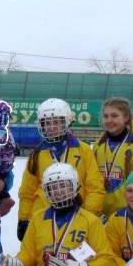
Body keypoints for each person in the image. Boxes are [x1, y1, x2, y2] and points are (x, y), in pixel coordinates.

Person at [15, 163, 122, 266]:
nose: (58, 192)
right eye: (53, 187)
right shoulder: (37, 218)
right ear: (46, 191)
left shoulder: (91, 221)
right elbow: (28, 254)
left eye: (63, 186)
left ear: (75, 186)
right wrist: (18, 263)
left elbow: (109, 262)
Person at [18, 98, 105, 241]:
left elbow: (95, 188)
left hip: (76, 219)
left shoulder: (83, 150)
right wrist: (24, 219)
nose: (51, 127)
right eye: (46, 123)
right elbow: (27, 192)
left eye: (57, 122)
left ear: (67, 121)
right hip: (43, 220)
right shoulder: (36, 154)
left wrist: (86, 216)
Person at [94, 98, 133, 218]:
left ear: (126, 117)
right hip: (100, 214)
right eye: (105, 116)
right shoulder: (97, 146)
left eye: (114, 116)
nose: (109, 120)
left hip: (127, 213)